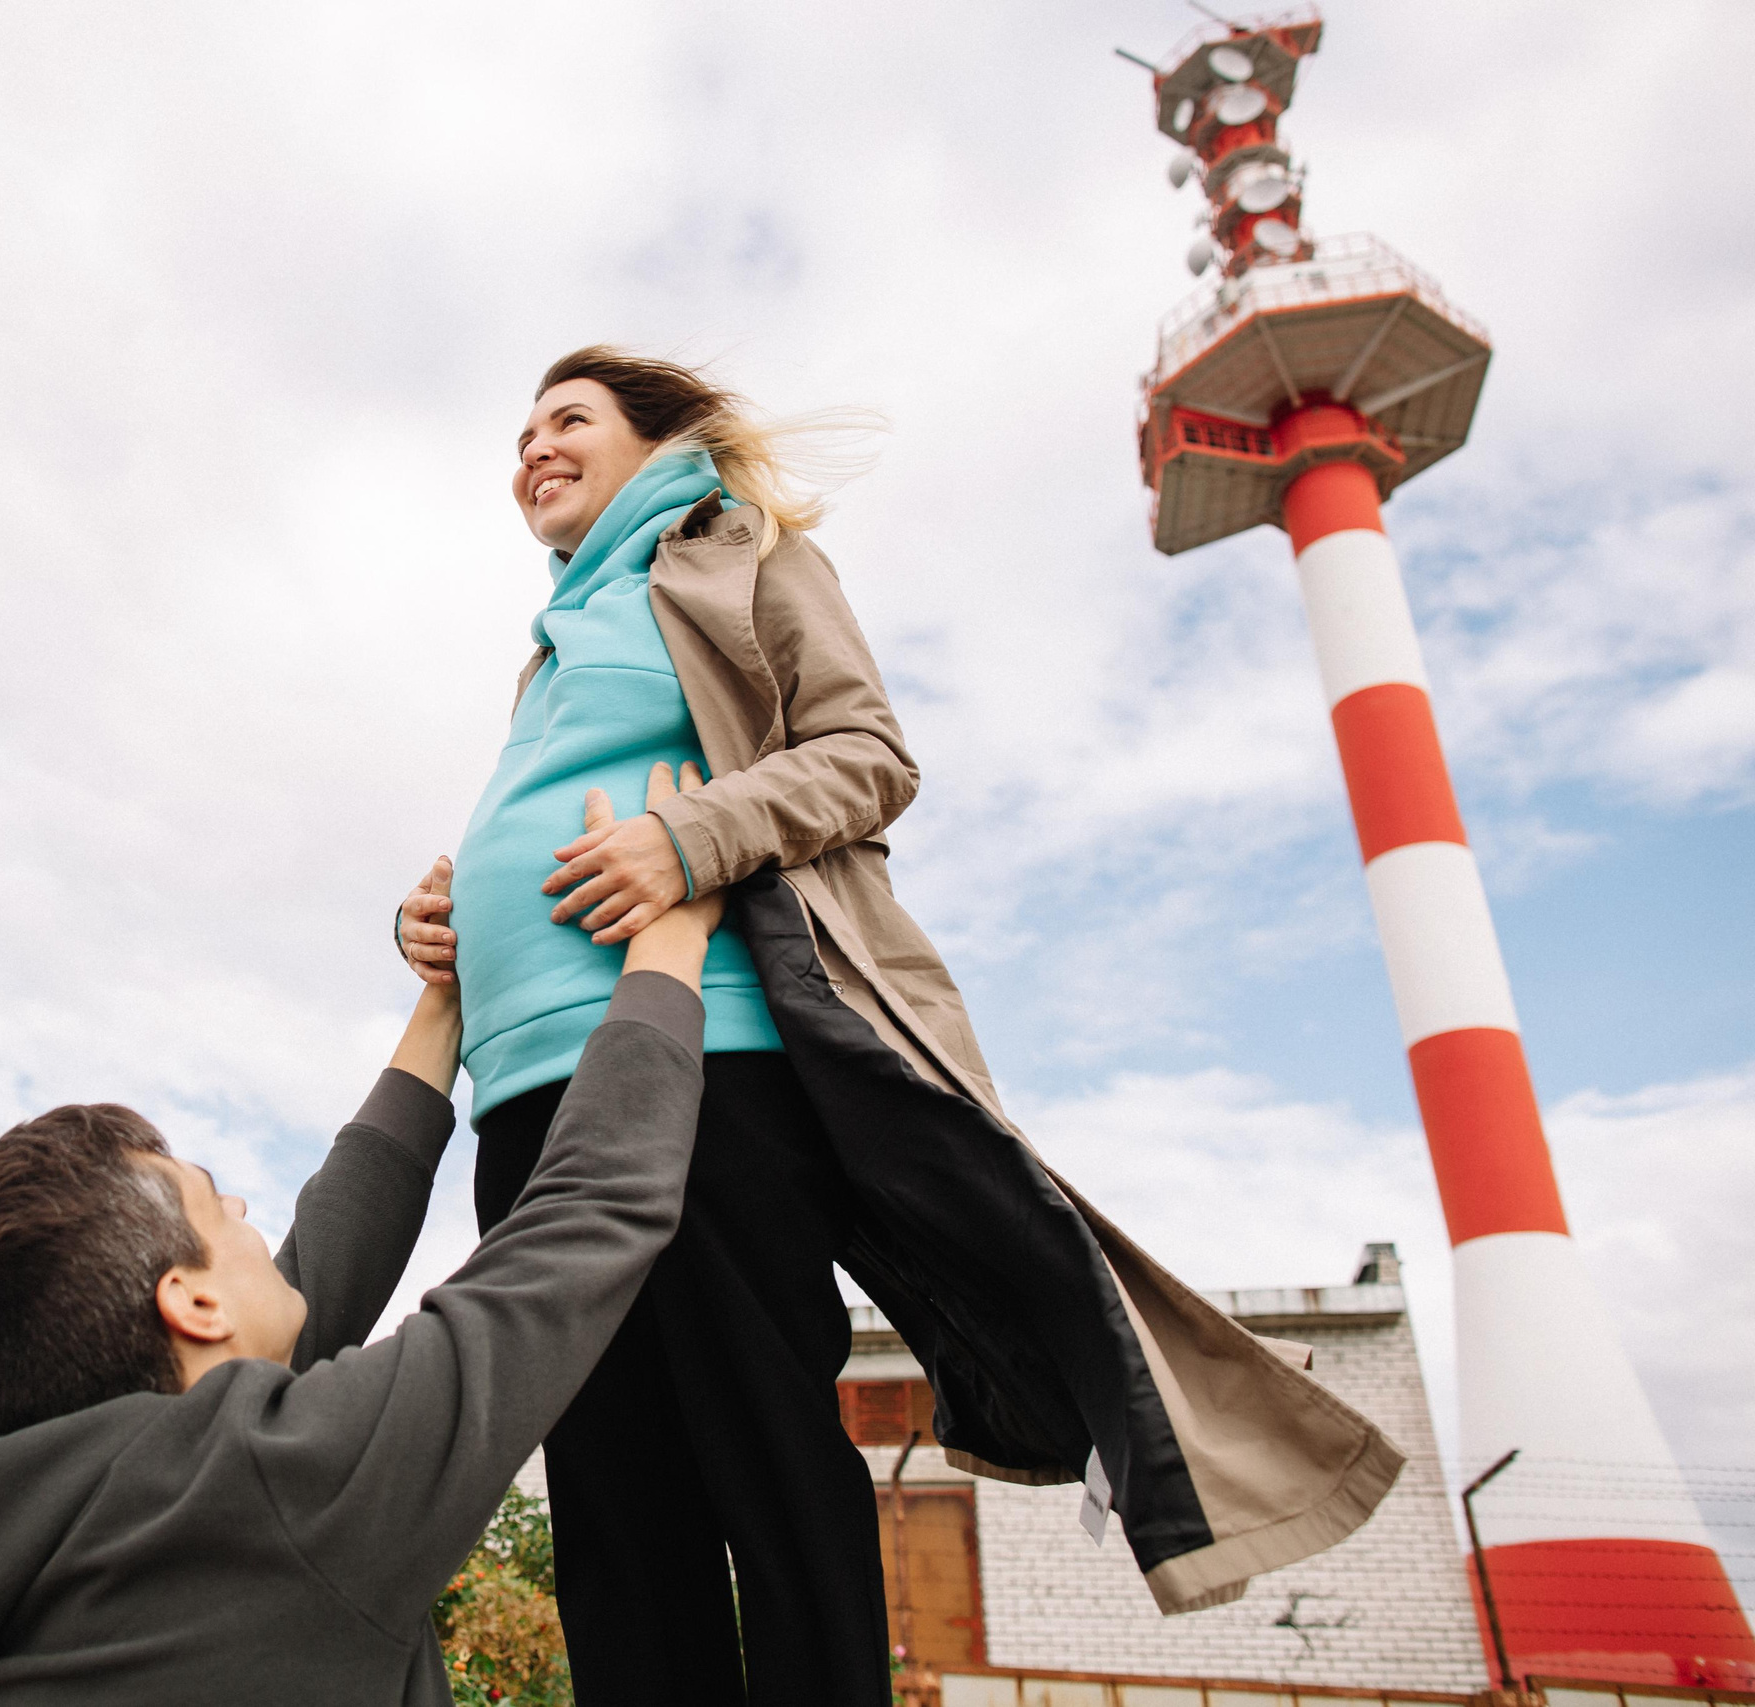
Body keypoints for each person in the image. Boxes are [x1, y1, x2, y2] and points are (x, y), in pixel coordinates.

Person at [396, 347, 1404, 1706]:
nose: (532, 447)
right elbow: (553, 818)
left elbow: (869, 754)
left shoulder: (739, 551)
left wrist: (688, 838)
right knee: (607, 1478)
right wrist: (451, 911)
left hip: (708, 1057)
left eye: (568, 419)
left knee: (756, 1430)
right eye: (519, 431)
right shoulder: (552, 643)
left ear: (662, 443)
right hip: (520, 1088)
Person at [0, 768, 726, 1707]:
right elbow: (585, 1218)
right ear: (190, 1300)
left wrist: (444, 1004)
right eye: (215, 1205)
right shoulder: (282, 1488)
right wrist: (671, 941)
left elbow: (311, 1282)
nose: (252, 1216)